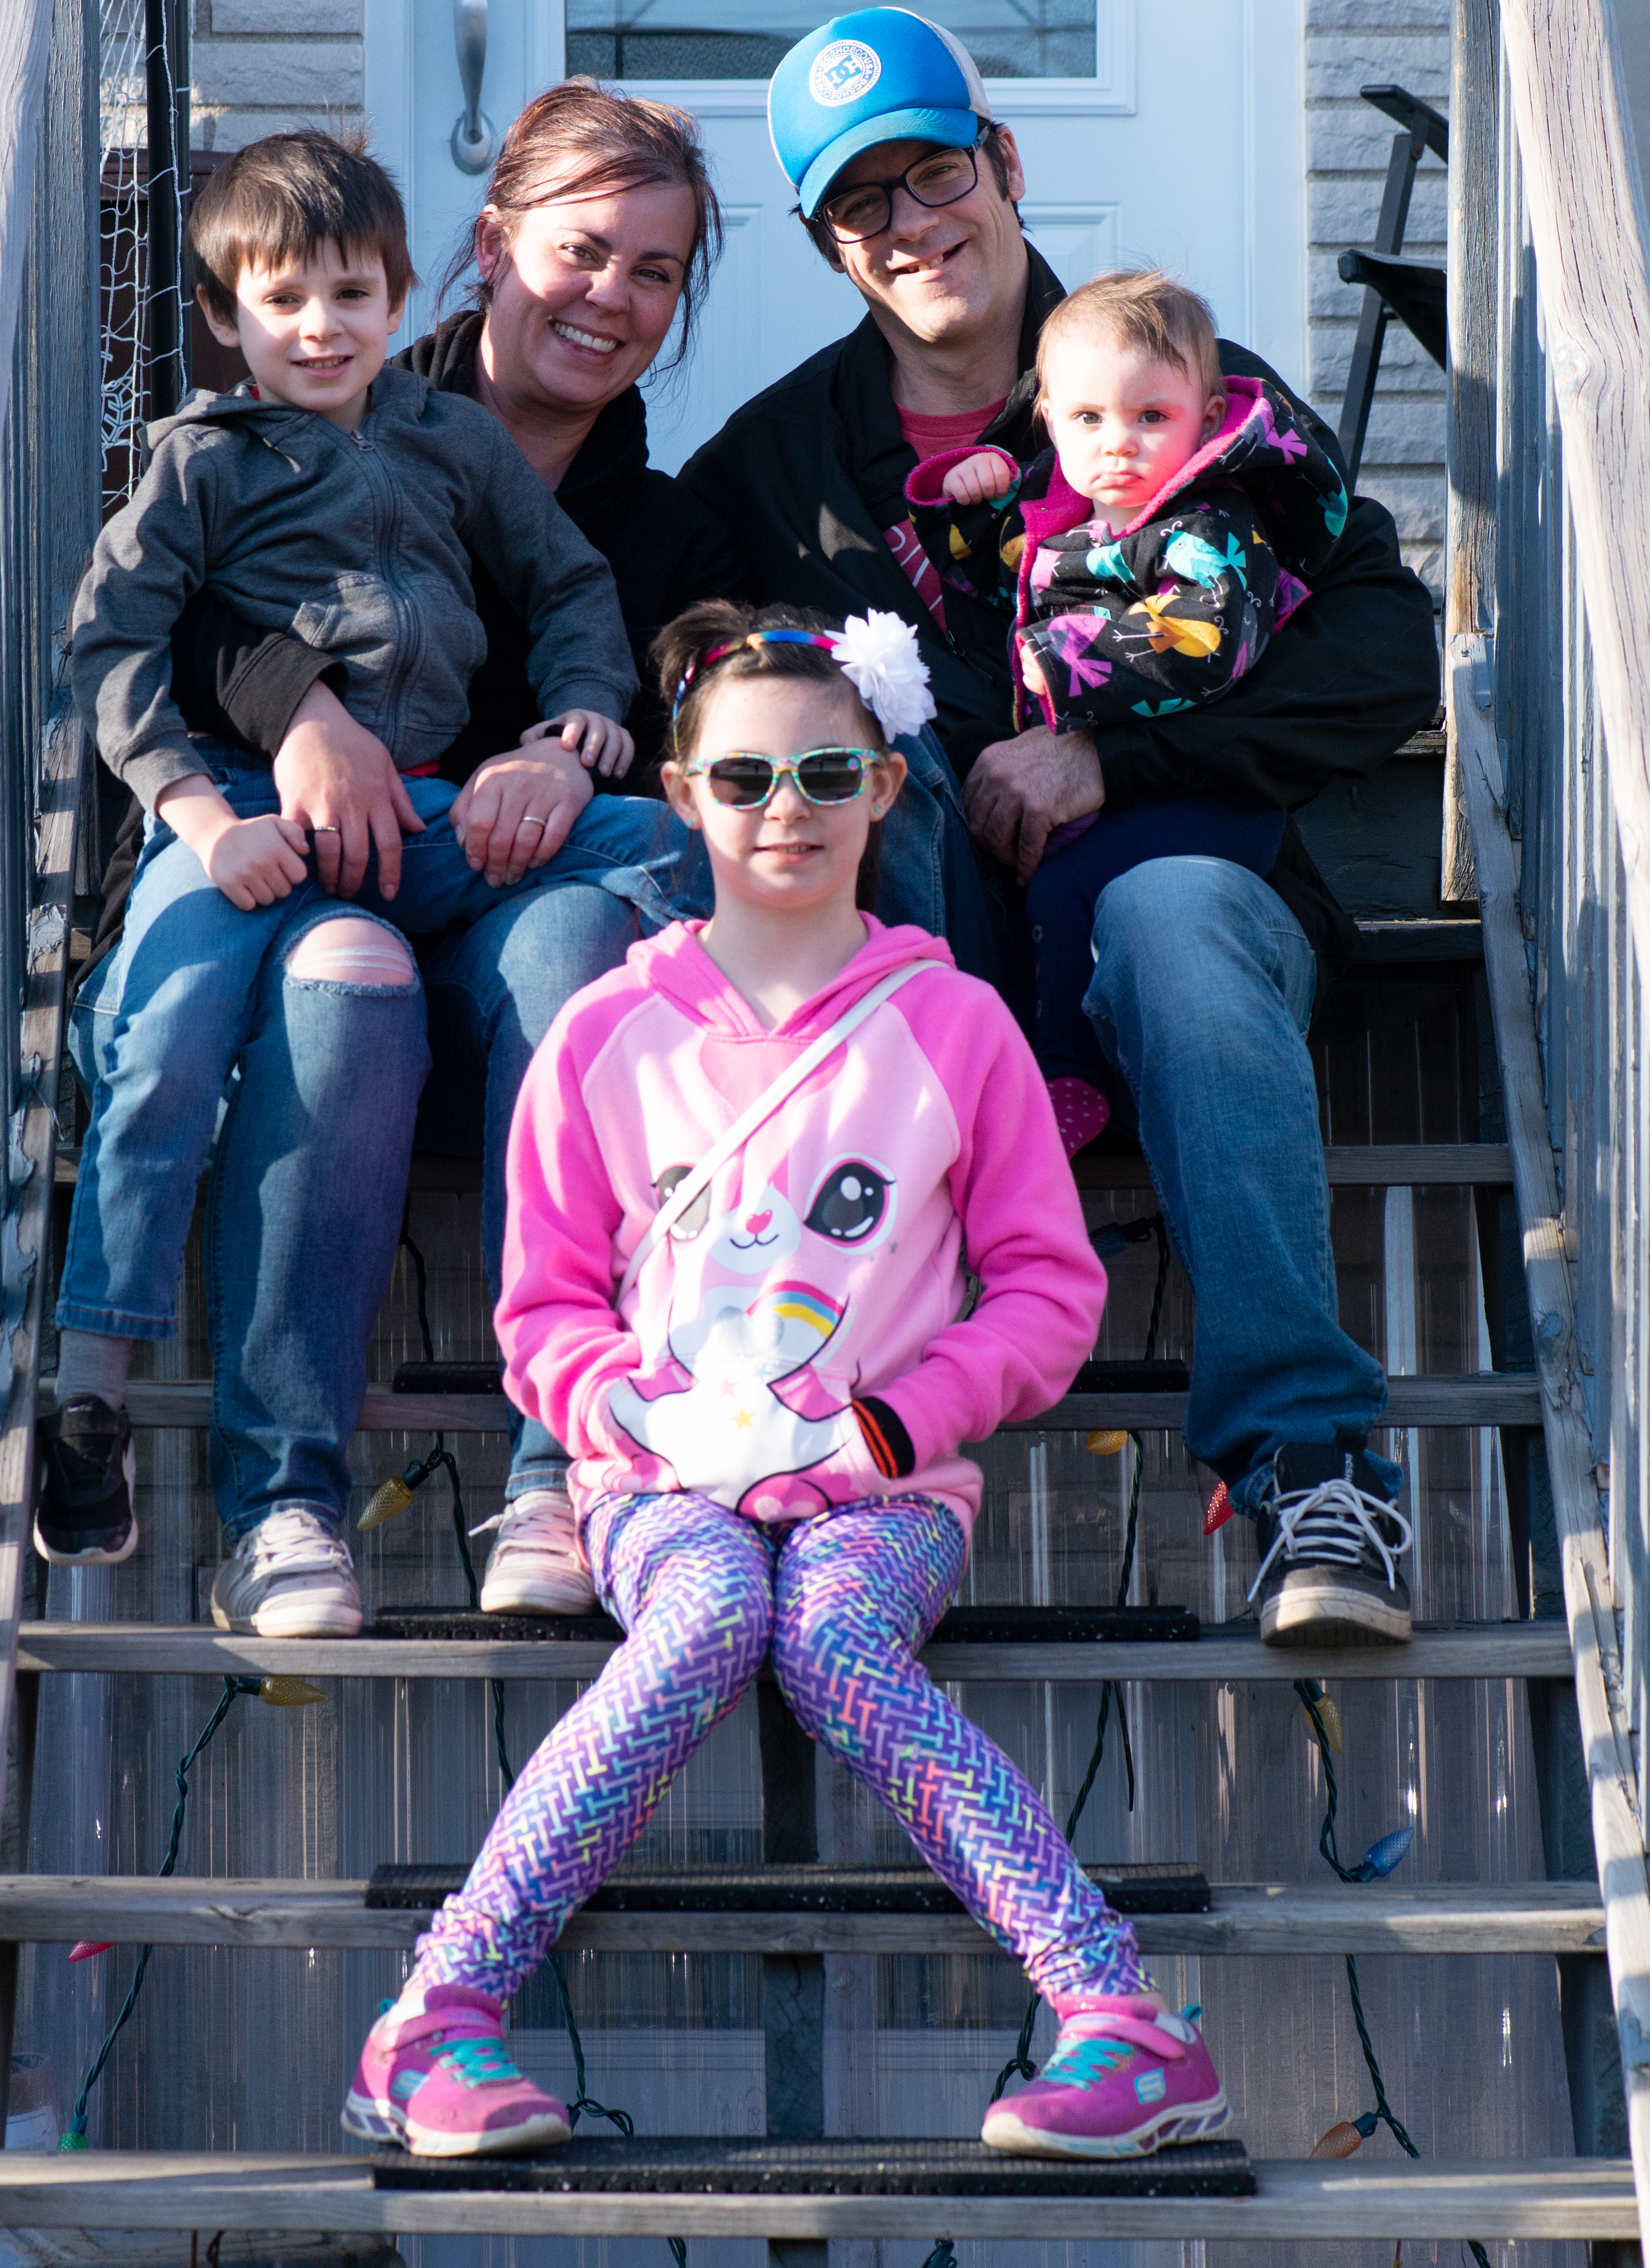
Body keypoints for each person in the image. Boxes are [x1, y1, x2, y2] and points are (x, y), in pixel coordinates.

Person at [342, 606, 1229, 2164]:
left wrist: (888, 1418)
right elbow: (543, 1308)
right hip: (658, 1485)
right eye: (745, 780)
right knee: (709, 1614)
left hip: (888, 1485)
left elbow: (1045, 1290)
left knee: (825, 1632)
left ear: (888, 788)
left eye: (829, 774)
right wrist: (636, 1410)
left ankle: (1123, 2024)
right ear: (682, 795)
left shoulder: (953, 1025)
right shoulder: (606, 1027)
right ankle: (437, 2020)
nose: (787, 813)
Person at [675, 4, 1440, 1649]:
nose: (911, 226)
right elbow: (615, 619)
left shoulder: (1168, 385)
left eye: (934, 173)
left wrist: (1115, 755)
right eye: (860, 207)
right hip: (934, 964)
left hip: (1172, 900)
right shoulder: (778, 469)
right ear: (831, 249)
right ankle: (830, 1445)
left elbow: (1382, 642)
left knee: (1173, 927)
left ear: (1005, 165)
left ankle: (1309, 1464)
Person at [66, 86, 741, 1636]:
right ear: (490, 247)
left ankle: (561, 1469)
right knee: (345, 979)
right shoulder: (235, 447)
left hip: (474, 876)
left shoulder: (650, 517)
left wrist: (570, 740)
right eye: (585, 251)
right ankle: (269, 1494)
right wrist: (281, 726)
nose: (613, 297)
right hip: (281, 861)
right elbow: (139, 629)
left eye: (656, 272)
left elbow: (588, 609)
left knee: (607, 912)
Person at [911, 268, 1348, 1158]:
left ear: (1206, 412)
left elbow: (1205, 638)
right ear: (1049, 425)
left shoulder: (1210, 521)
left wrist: (1060, 666)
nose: (1119, 443)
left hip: (1210, 805)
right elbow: (974, 582)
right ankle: (1070, 1066)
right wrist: (966, 501)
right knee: (1051, 902)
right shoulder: (1064, 525)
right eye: (1088, 420)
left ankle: (1068, 1078)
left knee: (1075, 894)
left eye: (1151, 416)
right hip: (1119, 808)